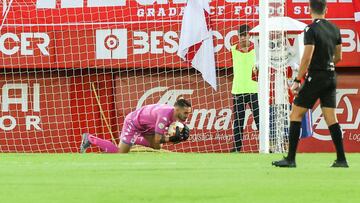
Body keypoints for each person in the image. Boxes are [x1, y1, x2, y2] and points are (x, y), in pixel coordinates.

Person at [272, 0, 348, 167]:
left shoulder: (310, 29)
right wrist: (328, 63)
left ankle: (290, 159)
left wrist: (298, 80)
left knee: (295, 114)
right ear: (326, 10)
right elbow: (339, 57)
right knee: (331, 119)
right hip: (331, 77)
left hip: (316, 77)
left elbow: (306, 57)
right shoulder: (335, 29)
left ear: (309, 10)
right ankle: (341, 159)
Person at [80, 99, 192, 153]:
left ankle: (133, 140)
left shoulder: (180, 119)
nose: (187, 116)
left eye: (189, 113)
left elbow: (170, 140)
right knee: (120, 152)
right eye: (186, 113)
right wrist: (172, 138)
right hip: (133, 122)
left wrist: (180, 138)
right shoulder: (163, 115)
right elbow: (158, 139)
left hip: (147, 126)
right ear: (177, 109)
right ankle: (90, 138)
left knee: (157, 147)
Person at [230, 24, 259, 152]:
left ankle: (267, 146)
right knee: (238, 122)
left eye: (245, 35)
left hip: (254, 90)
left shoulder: (257, 50)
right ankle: (236, 148)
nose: (242, 38)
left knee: (259, 120)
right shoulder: (233, 49)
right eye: (240, 36)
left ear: (250, 36)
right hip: (238, 90)